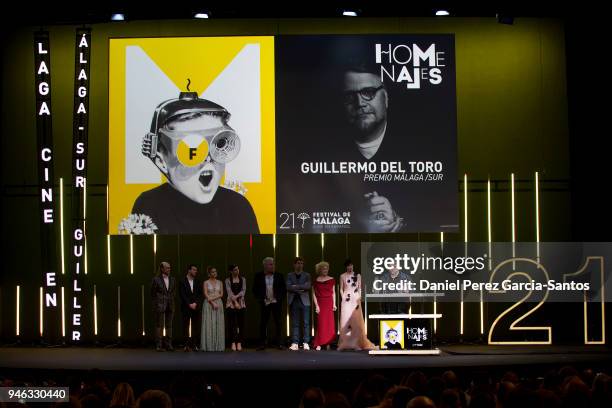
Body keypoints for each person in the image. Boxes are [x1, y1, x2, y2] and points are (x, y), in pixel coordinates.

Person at [130, 91, 259, 234]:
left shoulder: (237, 207)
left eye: (219, 144)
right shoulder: (149, 206)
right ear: (161, 161)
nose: (208, 159)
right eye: (192, 149)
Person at [338, 259, 376, 351]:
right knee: (346, 321)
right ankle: (346, 343)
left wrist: (359, 297)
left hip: (355, 299)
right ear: (346, 267)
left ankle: (357, 343)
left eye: (351, 265)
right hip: (346, 300)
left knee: (356, 321)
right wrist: (343, 298)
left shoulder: (357, 275)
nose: (350, 267)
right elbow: (341, 289)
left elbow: (359, 288)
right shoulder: (342, 276)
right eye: (348, 266)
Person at [252, 257, 286, 350]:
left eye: (273, 264)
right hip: (265, 303)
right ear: (265, 265)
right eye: (270, 264)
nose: (273, 266)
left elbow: (283, 289)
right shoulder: (258, 276)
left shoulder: (279, 275)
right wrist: (261, 298)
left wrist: (278, 298)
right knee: (263, 323)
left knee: (278, 323)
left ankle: (279, 343)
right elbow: (255, 289)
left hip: (276, 303)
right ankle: (262, 343)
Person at [287, 256, 312, 350]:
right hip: (294, 301)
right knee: (295, 323)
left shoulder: (307, 275)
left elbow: (308, 286)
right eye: (298, 263)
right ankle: (295, 342)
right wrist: (300, 288)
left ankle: (306, 342)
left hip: (305, 301)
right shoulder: (290, 275)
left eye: (301, 263)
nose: (300, 265)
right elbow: (288, 287)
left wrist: (295, 286)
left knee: (306, 323)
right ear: (294, 264)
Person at [150, 262, 176, 351]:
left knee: (169, 325)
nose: (169, 269)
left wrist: (171, 299)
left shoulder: (172, 279)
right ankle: (159, 345)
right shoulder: (156, 279)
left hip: (170, 304)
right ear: (162, 269)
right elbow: (152, 293)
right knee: (159, 325)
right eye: (167, 268)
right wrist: (157, 303)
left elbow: (173, 291)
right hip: (160, 304)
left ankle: (169, 345)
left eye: (169, 267)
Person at [312, 261, 337, 350]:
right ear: (319, 270)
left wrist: (334, 304)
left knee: (329, 323)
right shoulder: (316, 280)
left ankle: (327, 342)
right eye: (323, 268)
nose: (325, 270)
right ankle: (319, 342)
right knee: (321, 323)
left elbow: (333, 292)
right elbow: (314, 294)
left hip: (329, 302)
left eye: (326, 268)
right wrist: (316, 306)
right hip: (320, 303)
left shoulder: (331, 279)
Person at [201, 266, 225, 351]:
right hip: (209, 304)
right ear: (209, 273)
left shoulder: (220, 282)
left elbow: (221, 294)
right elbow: (205, 294)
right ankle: (209, 345)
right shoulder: (206, 282)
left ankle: (218, 345)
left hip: (218, 303)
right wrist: (212, 302)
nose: (214, 273)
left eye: (215, 272)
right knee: (209, 323)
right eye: (212, 272)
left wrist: (214, 299)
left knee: (218, 323)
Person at [178, 264, 202, 351]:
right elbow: (182, 294)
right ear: (189, 270)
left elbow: (200, 294)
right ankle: (186, 345)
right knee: (185, 326)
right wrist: (189, 304)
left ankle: (195, 345)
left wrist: (195, 303)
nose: (196, 271)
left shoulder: (198, 281)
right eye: (194, 270)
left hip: (196, 307)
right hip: (186, 307)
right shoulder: (182, 281)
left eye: (196, 270)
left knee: (196, 327)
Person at [225, 264, 246, 351]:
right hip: (231, 304)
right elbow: (229, 292)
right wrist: (235, 303)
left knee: (241, 324)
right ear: (231, 271)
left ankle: (239, 342)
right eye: (234, 270)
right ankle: (233, 342)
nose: (237, 271)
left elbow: (243, 291)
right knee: (232, 324)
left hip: (241, 303)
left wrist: (238, 300)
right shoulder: (227, 280)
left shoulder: (243, 279)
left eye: (237, 269)